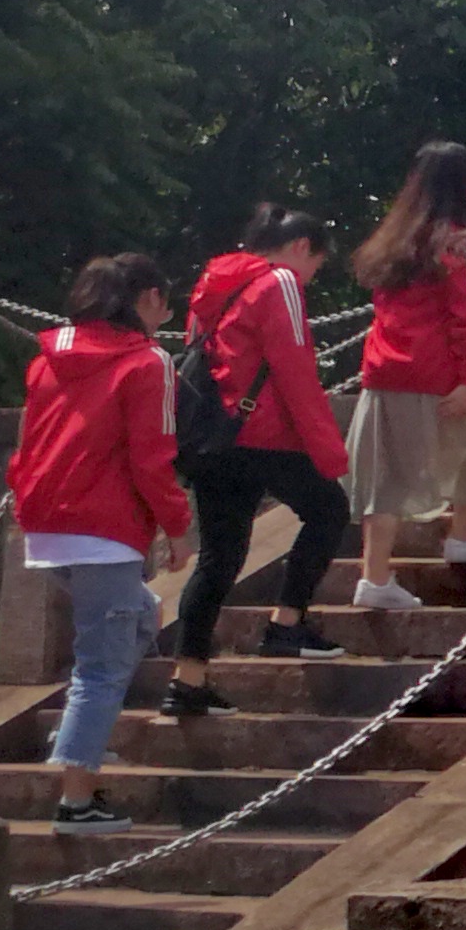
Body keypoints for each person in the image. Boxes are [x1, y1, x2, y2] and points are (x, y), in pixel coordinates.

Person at [9, 256, 189, 823]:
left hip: (47, 522)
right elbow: (152, 457)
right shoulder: (147, 361)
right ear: (148, 299)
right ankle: (77, 798)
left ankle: (78, 735)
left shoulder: (47, 360)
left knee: (141, 616)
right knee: (101, 667)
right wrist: (178, 527)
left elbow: (28, 442)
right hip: (105, 529)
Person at [166, 208, 354, 710]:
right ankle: (287, 623)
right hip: (264, 433)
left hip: (215, 436)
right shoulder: (280, 282)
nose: (311, 276)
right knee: (330, 510)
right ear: (300, 246)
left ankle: (187, 681)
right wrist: (330, 451)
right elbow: (295, 368)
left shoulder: (215, 284)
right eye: (316, 263)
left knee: (218, 559)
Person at [344, 144, 466, 615]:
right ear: (465, 183)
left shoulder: (394, 240)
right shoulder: (463, 243)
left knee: (385, 478)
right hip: (439, 371)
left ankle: (374, 576)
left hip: (384, 369)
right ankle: (460, 535)